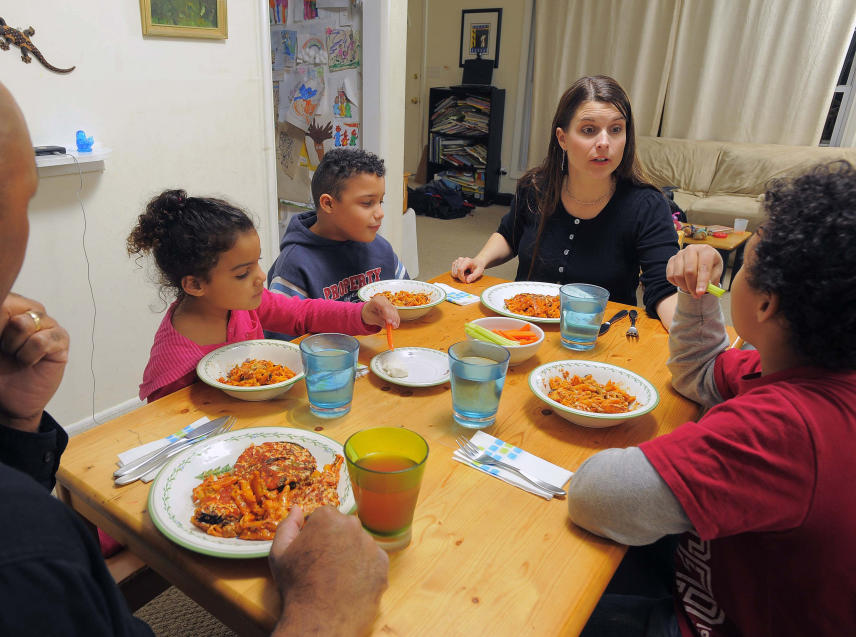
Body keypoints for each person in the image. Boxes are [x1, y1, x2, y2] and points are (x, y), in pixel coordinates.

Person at [0, 23, 388, 636]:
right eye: (23, 203)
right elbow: (162, 424)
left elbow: (300, 315)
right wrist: (325, 613)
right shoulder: (3, 554)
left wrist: (13, 427)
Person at [568, 162, 856, 636]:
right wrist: (698, 295)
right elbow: (700, 375)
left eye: (748, 266)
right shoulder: (794, 368)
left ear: (766, 305)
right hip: (713, 576)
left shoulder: (784, 428)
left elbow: (594, 496)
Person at [451, 75, 679, 328]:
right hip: (524, 327)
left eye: (616, 130)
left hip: (596, 337)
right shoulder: (534, 186)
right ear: (562, 138)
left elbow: (664, 289)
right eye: (589, 130)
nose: (604, 142)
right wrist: (480, 260)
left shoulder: (647, 205)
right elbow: (509, 235)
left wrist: (692, 342)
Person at [128, 190, 399, 402]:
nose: (261, 276)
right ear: (195, 284)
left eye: (256, 262)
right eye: (242, 273)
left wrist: (361, 313)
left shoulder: (242, 306)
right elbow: (165, 426)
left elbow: (302, 314)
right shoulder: (173, 363)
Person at [268, 148, 408, 303]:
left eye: (380, 201)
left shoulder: (382, 250)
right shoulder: (294, 267)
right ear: (328, 204)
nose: (380, 213)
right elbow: (279, 323)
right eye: (367, 203)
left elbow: (409, 300)